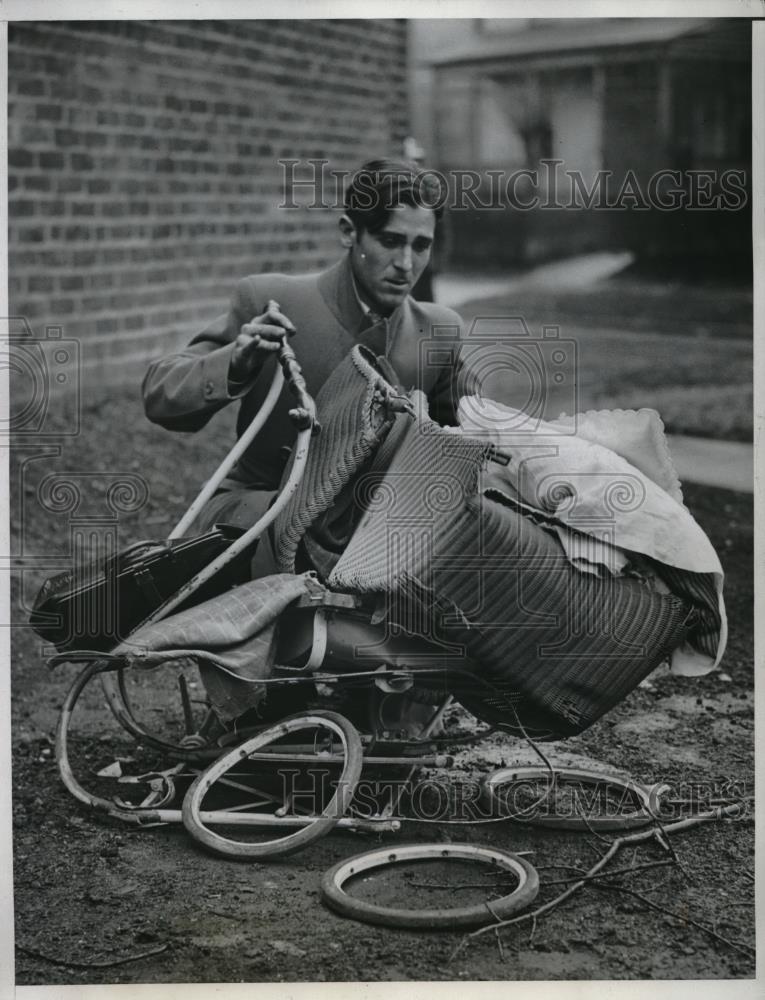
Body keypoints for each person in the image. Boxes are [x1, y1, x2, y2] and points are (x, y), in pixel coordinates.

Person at [142, 158, 466, 535]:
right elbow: (159, 394)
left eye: (421, 246)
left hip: (371, 532)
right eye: (390, 241)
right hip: (256, 516)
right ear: (349, 233)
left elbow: (471, 440)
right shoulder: (271, 301)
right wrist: (234, 363)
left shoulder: (440, 332)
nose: (406, 264)